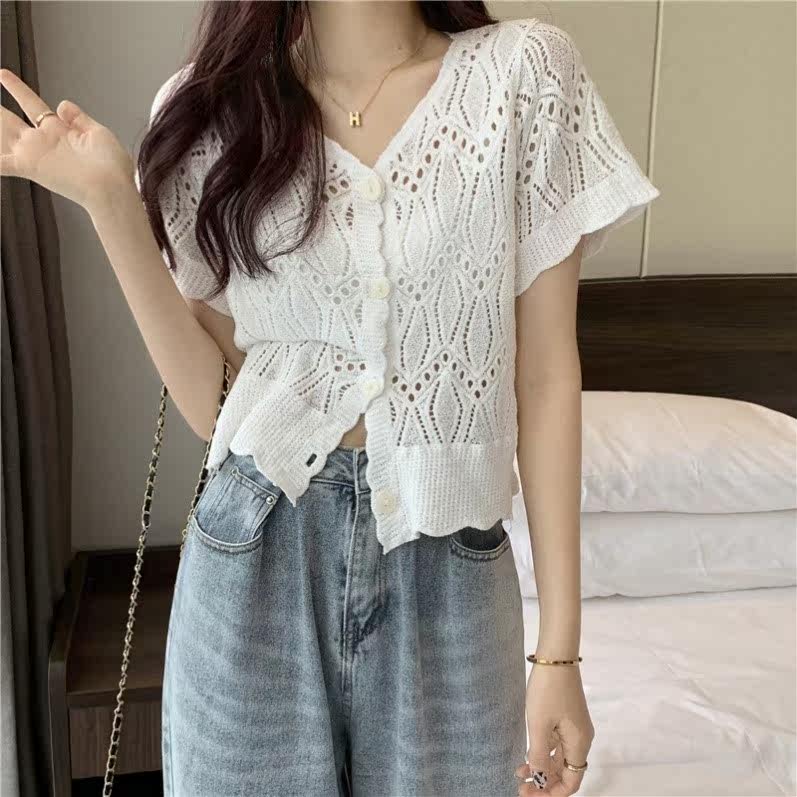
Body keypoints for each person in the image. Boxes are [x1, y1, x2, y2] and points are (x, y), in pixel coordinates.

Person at [0, 2, 660, 794]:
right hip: (256, 549)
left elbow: (545, 376)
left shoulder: (521, 75)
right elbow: (216, 404)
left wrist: (558, 653)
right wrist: (110, 199)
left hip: (448, 567)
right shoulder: (209, 107)